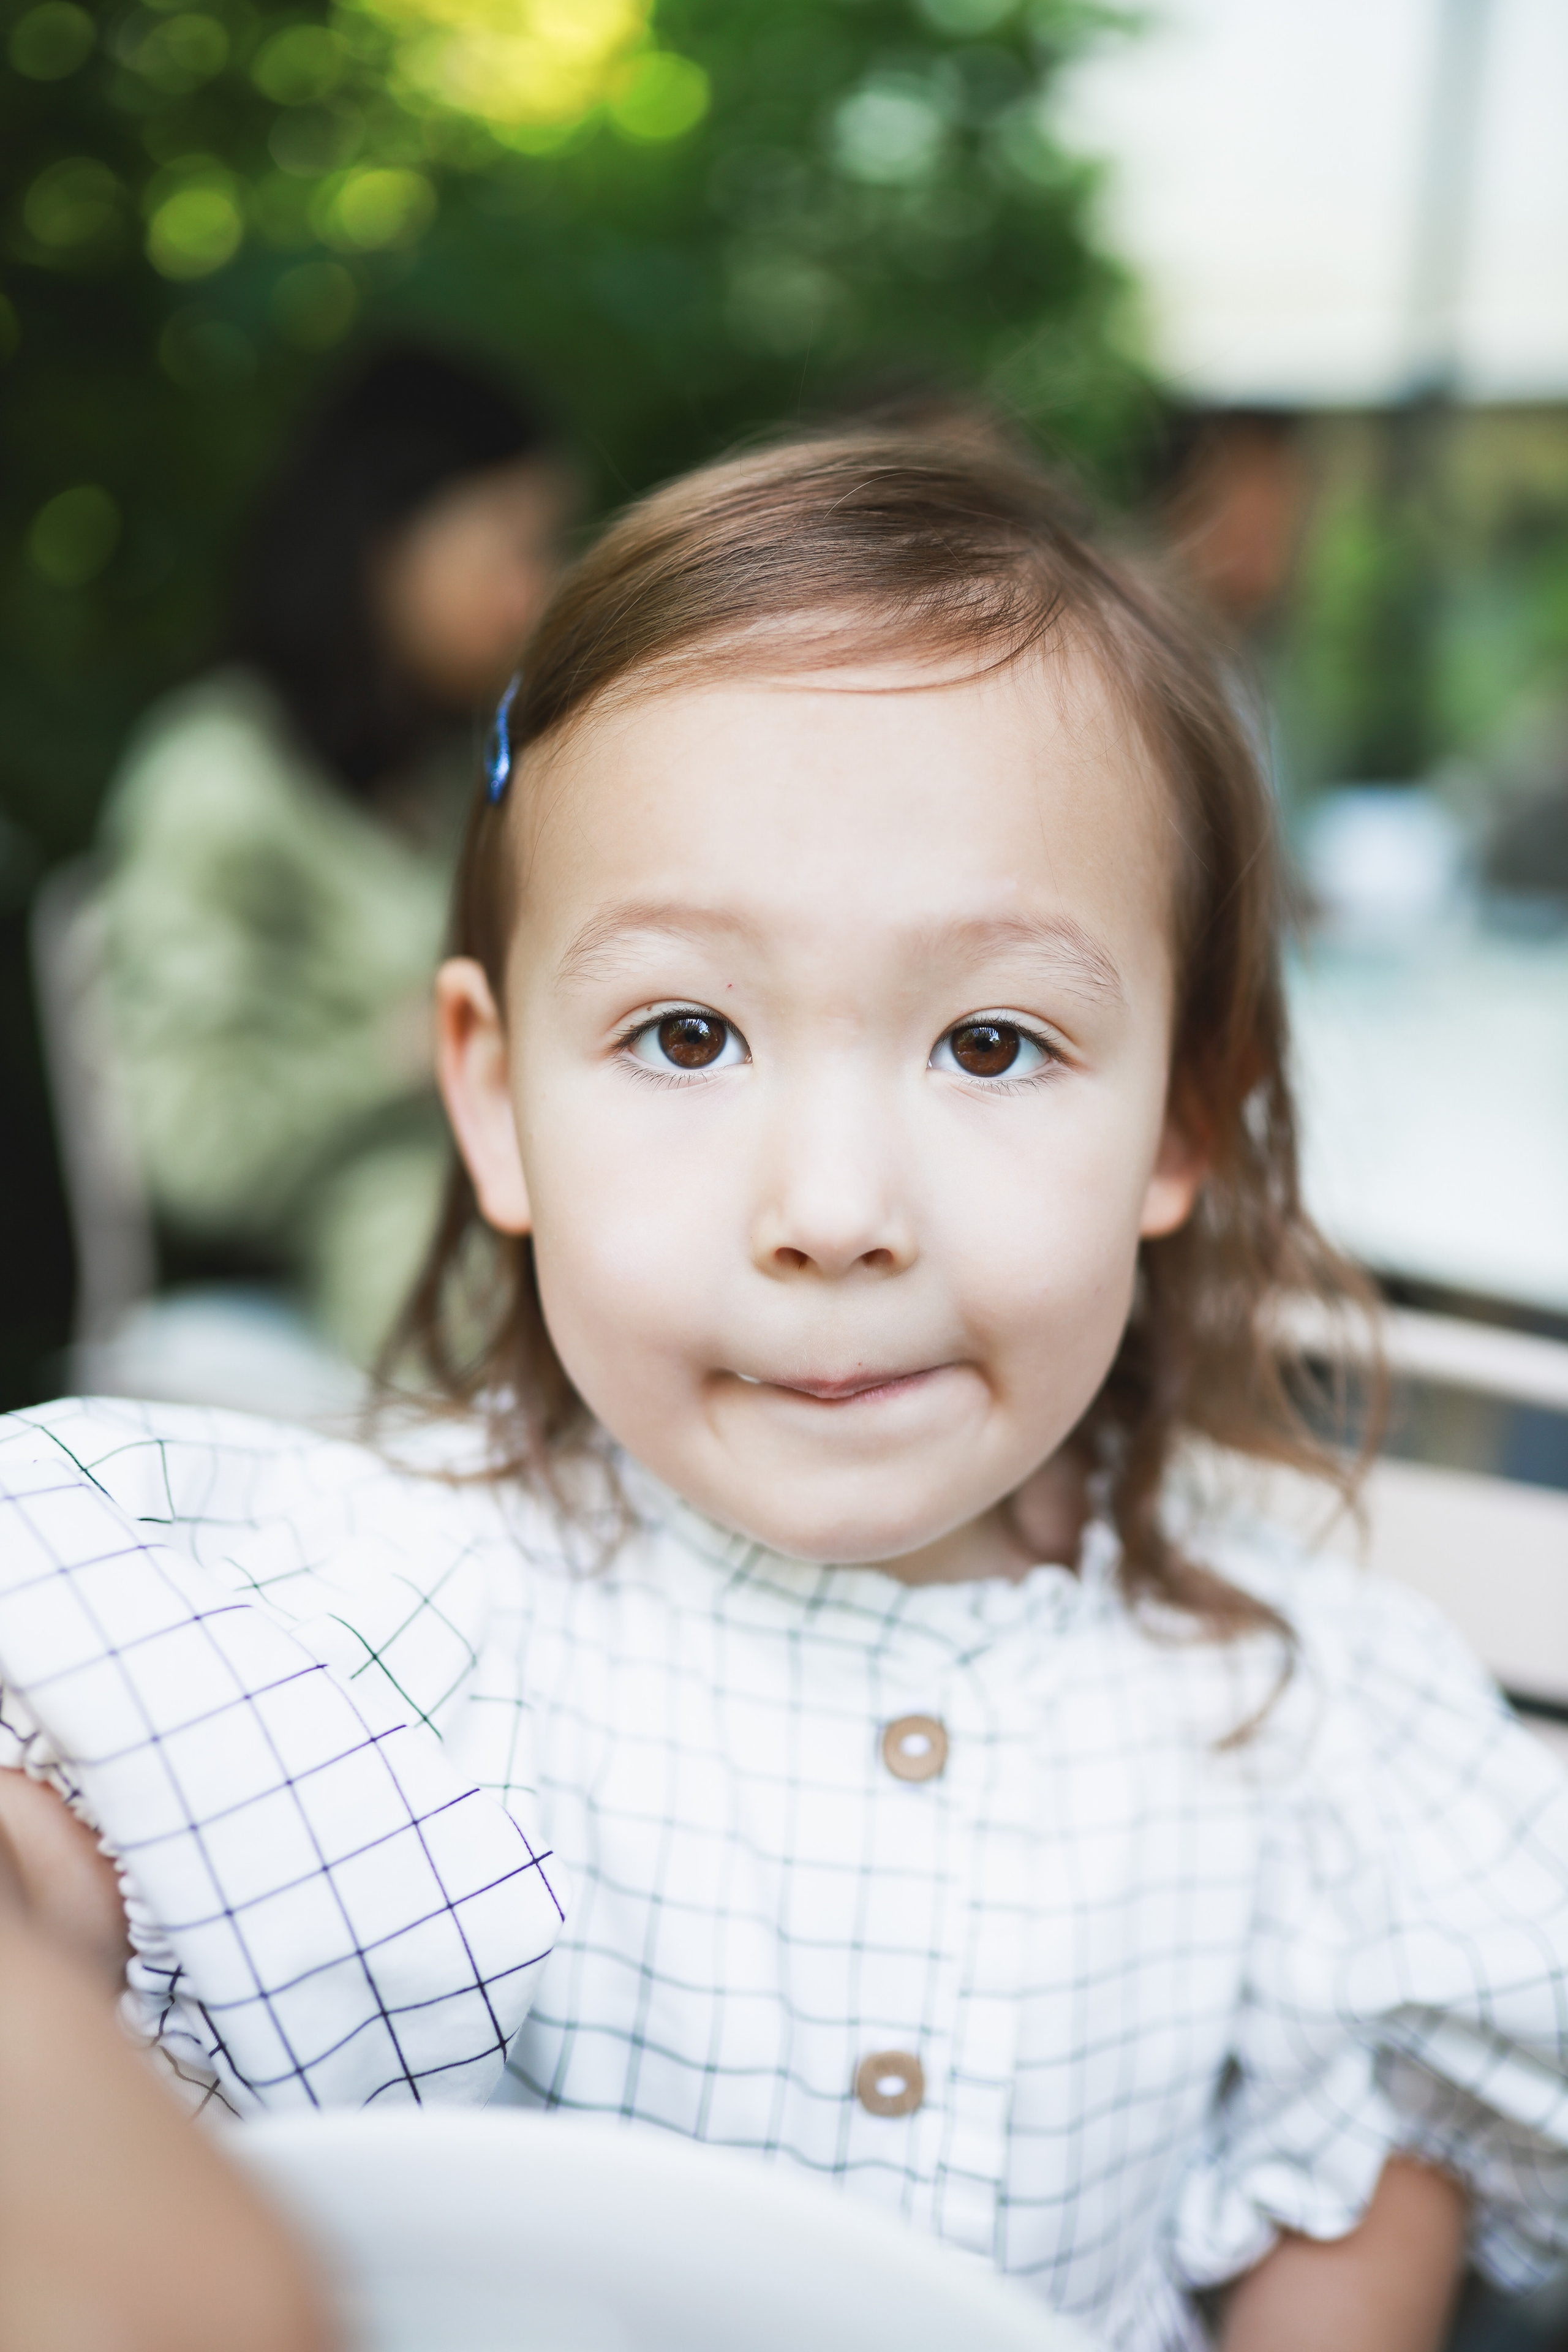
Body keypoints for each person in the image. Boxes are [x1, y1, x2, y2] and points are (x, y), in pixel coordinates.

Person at [3, 426, 1567, 2351]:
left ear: (1182, 1120)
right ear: (494, 1097)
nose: (833, 1211)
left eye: (992, 1043)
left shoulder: (1298, 1731)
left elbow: (1366, 2182)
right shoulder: (372, 1632)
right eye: (686, 1031)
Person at [94, 342, 570, 1366]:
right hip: (403, 1257)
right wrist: (409, 1044)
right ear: (387, 541)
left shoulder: (456, 772)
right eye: (512, 544)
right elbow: (191, 1150)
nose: (534, 595)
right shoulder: (216, 778)